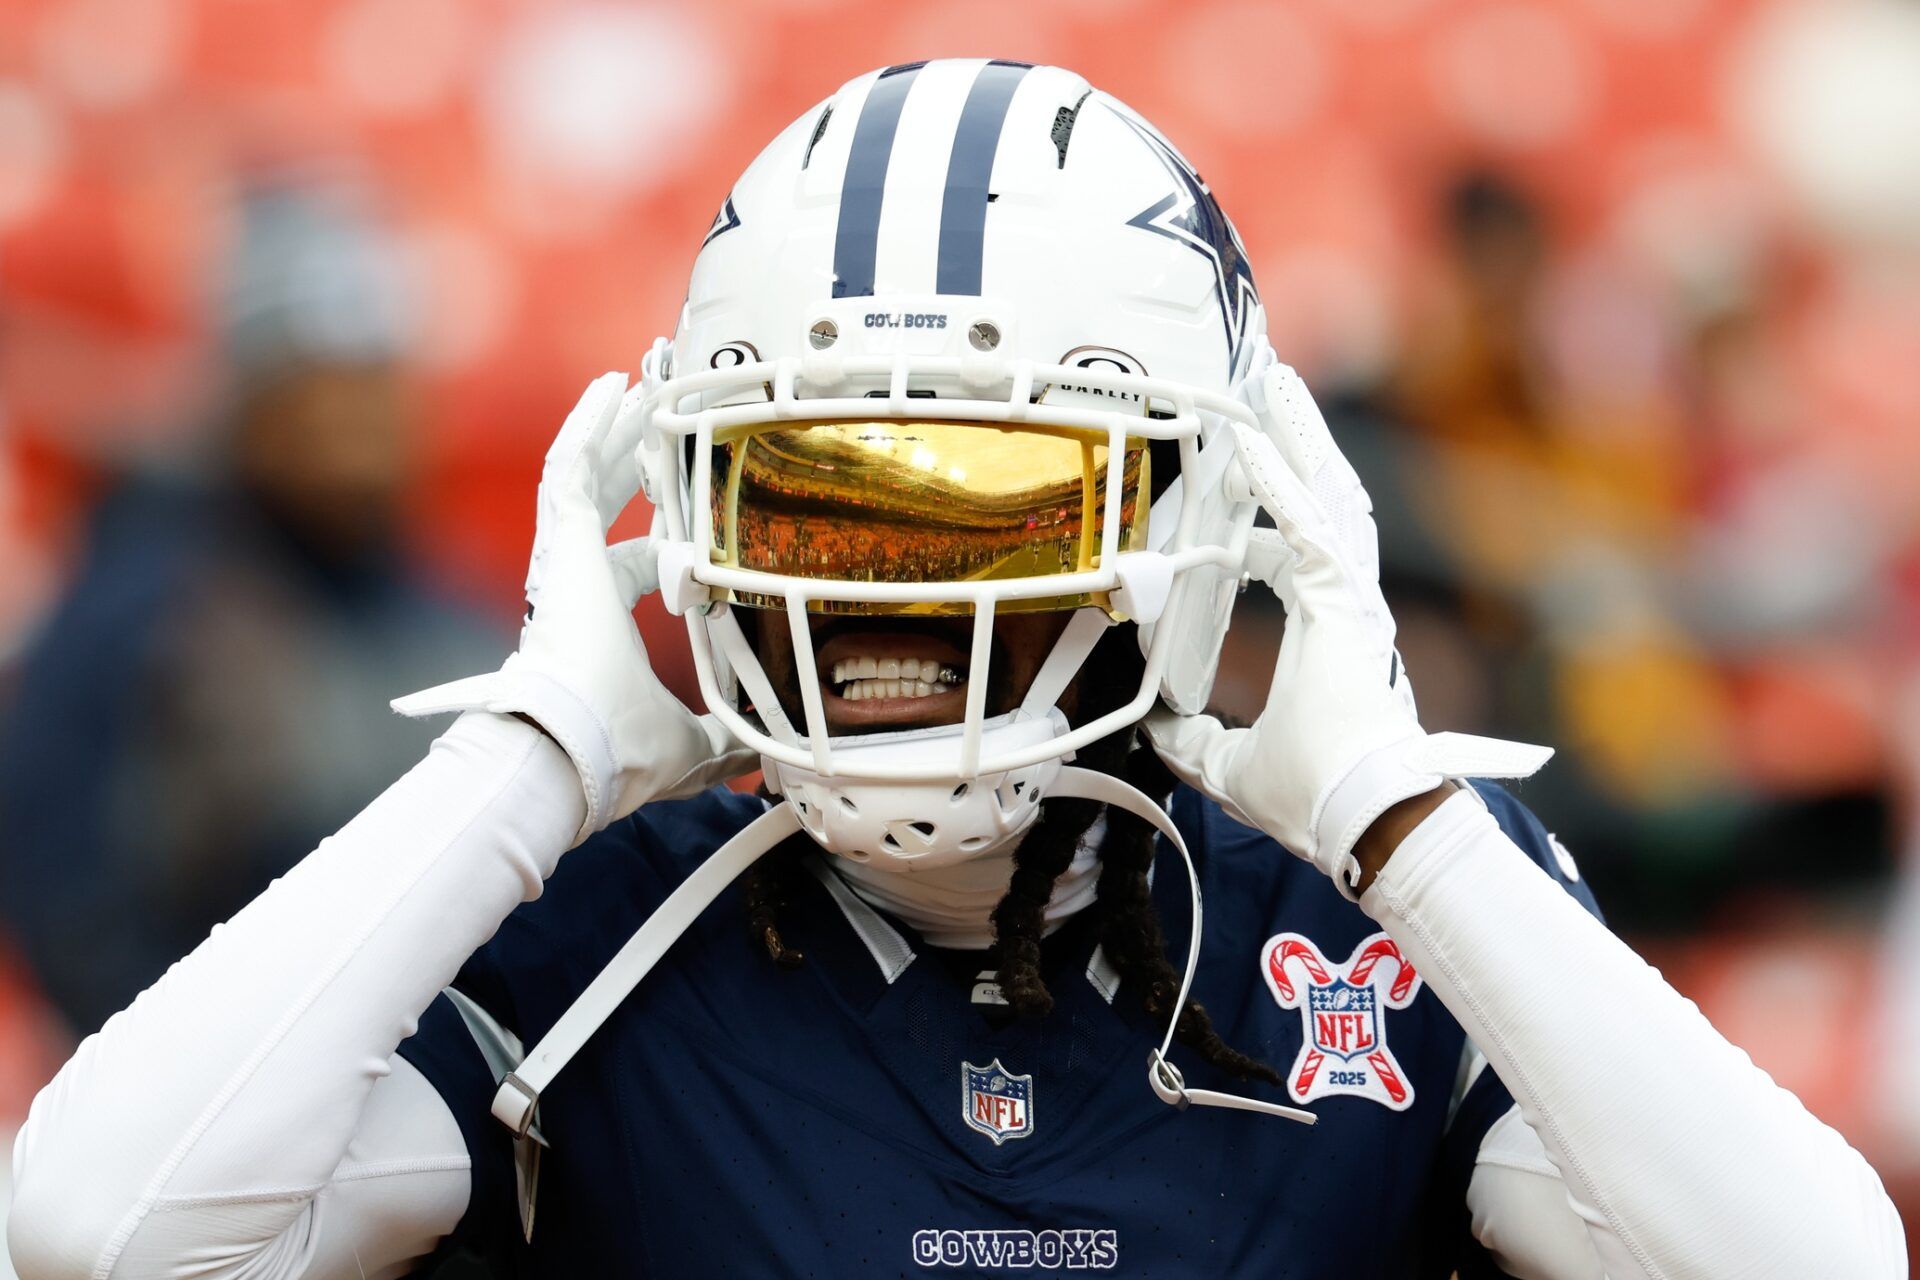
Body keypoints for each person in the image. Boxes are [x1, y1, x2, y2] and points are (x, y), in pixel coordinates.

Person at [6, 61, 1902, 1279]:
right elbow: (97, 1229)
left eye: (989, 507)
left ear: (1197, 514)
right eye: (816, 503)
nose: (890, 603)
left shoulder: (1374, 912)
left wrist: (1399, 819)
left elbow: (1811, 1265)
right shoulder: (588, 923)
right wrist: (536, 757)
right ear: (692, 513)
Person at [0, 171, 504, 1036]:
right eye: (322, 374)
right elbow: (64, 900)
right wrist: (196, 1062)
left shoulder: (465, 619)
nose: (359, 411)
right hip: (198, 1079)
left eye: (376, 372)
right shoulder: (137, 611)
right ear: (253, 392)